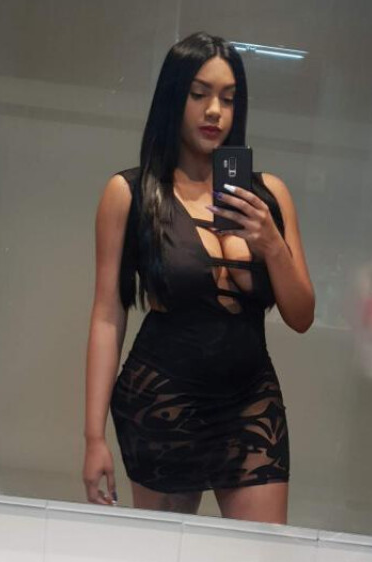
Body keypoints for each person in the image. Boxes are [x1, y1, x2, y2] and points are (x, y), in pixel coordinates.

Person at [83, 32, 314, 523]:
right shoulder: (130, 194)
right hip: (164, 402)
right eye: (199, 94)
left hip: (252, 402)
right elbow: (107, 314)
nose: (215, 111)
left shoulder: (269, 195)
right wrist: (93, 436)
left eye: (228, 99)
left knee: (260, 559)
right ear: (174, 97)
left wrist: (272, 243)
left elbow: (301, 316)